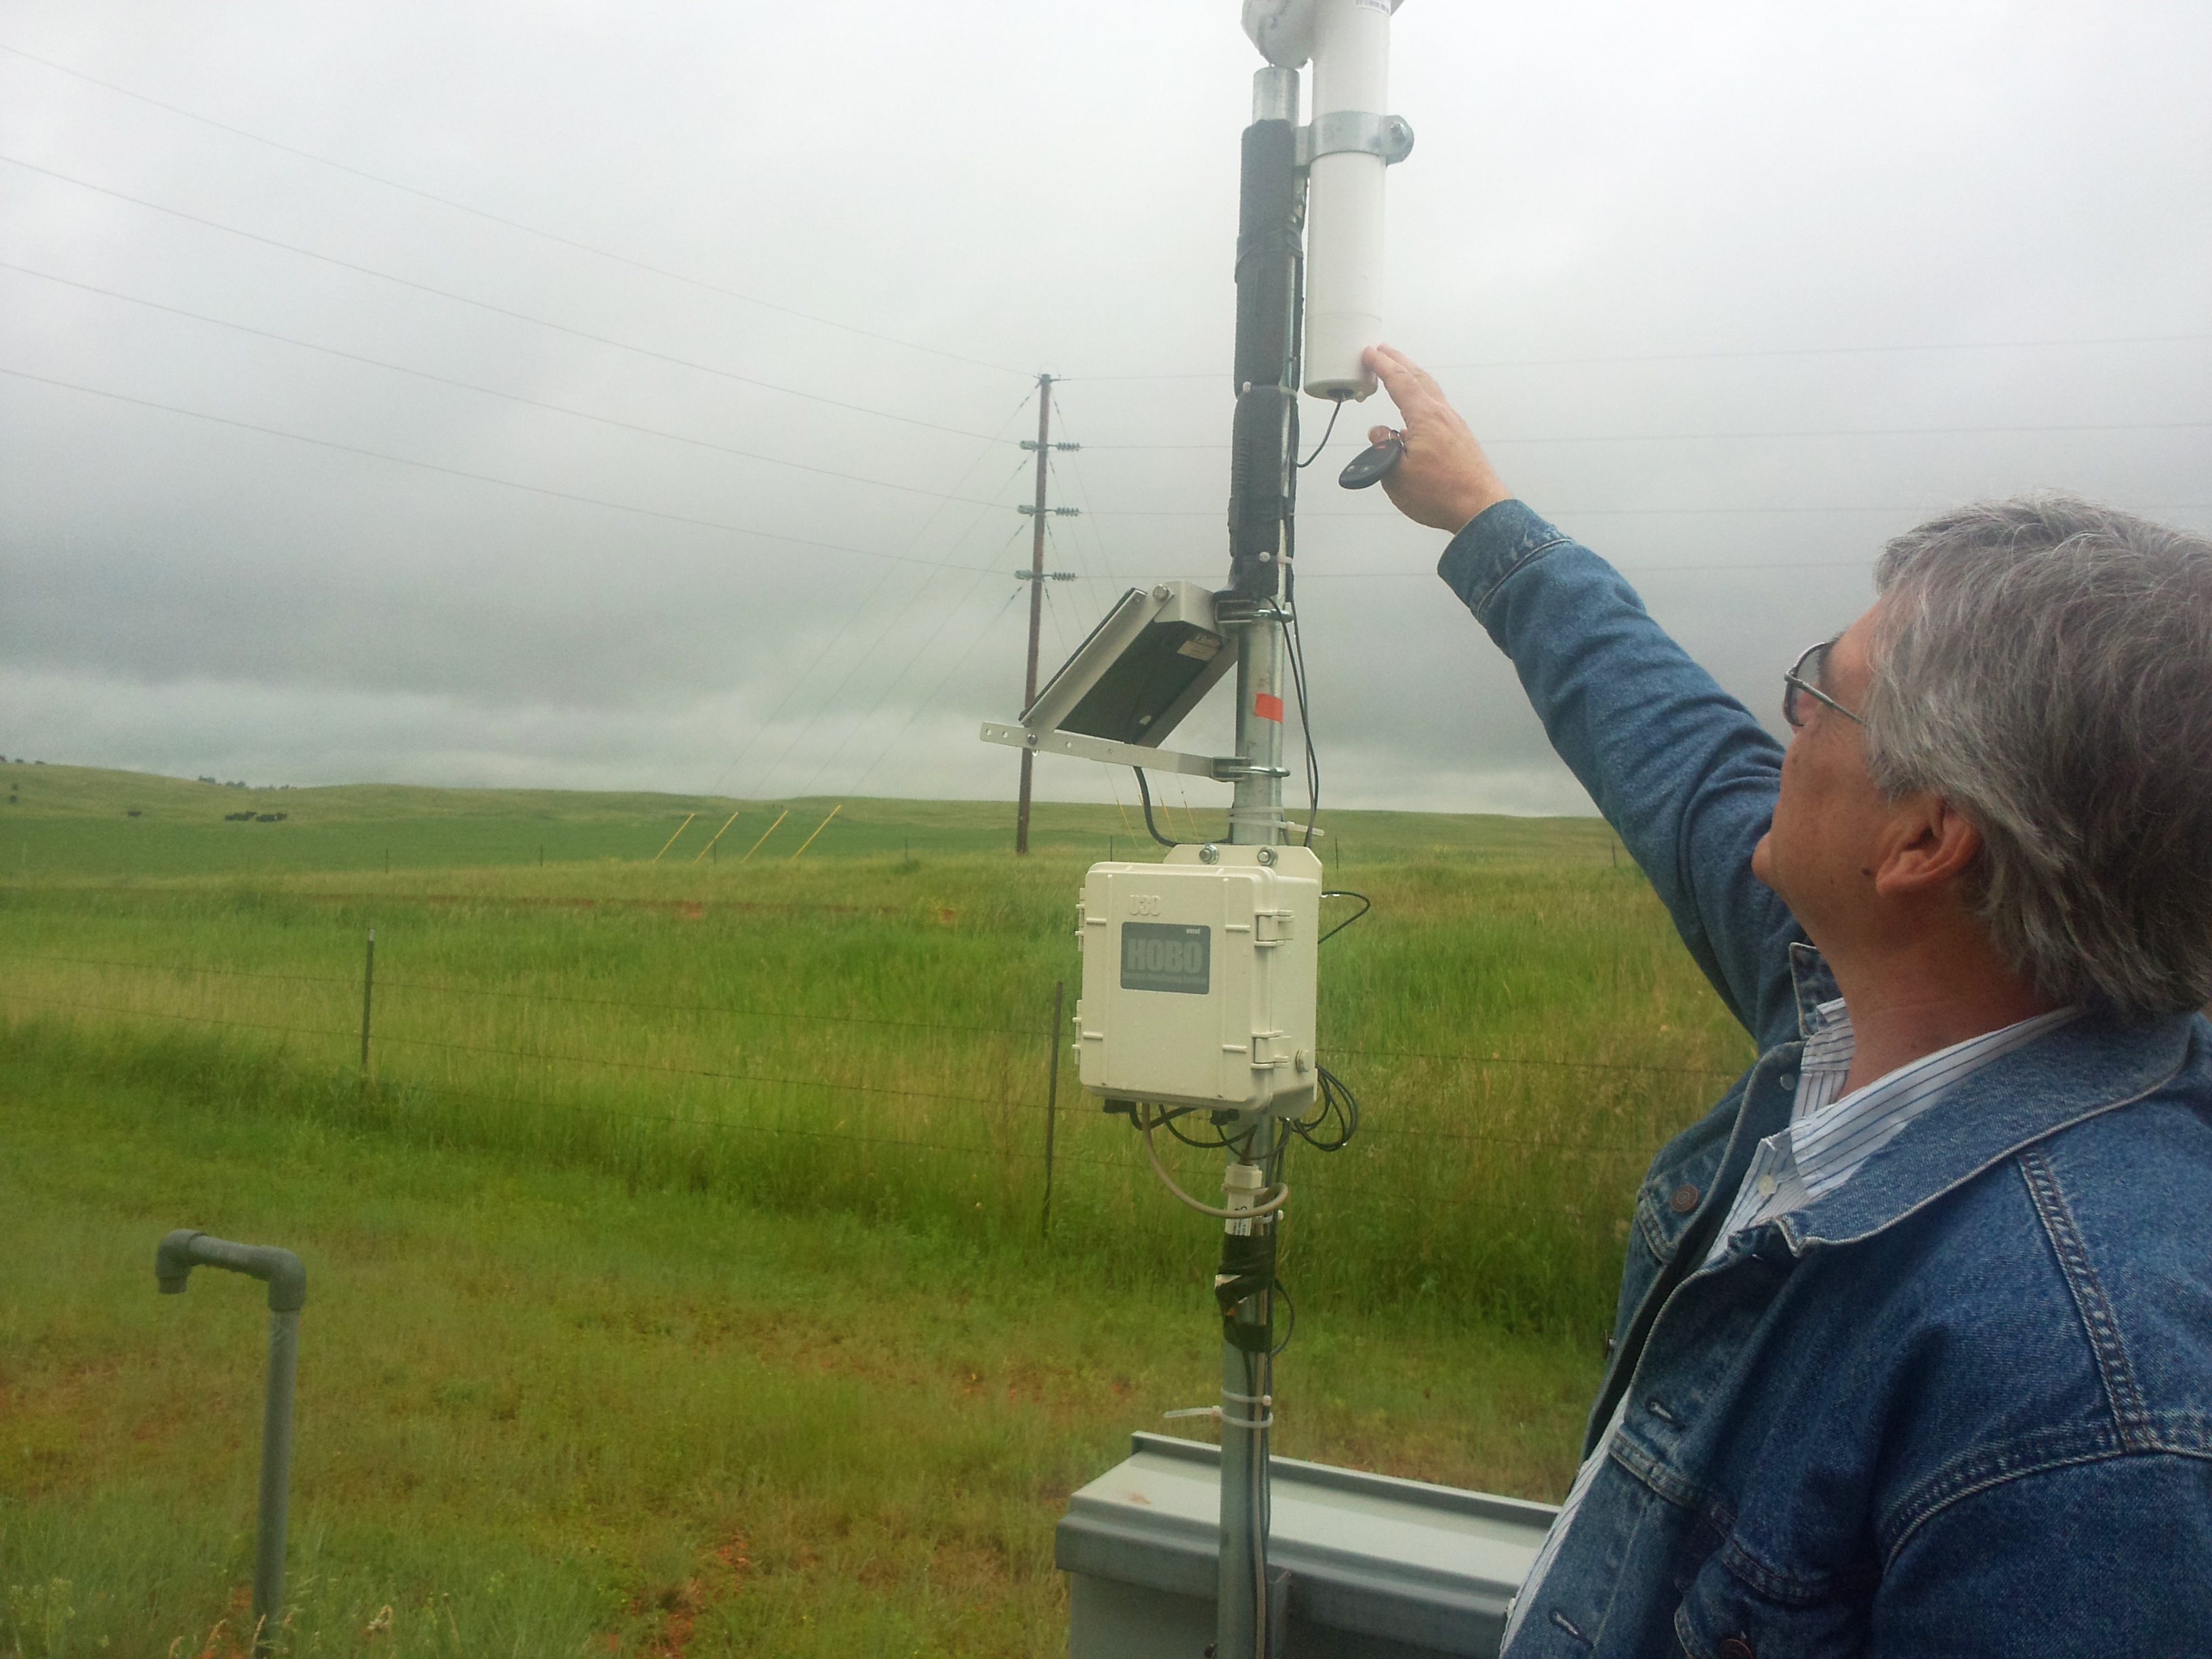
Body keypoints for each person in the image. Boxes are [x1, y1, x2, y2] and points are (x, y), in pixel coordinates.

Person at [1358, 343, 2212, 1656]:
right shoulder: (1859, 1003)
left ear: (1925, 842)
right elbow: (1678, 759)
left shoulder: (2089, 1402)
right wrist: (1484, 515)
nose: (1784, 717)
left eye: (1821, 685)